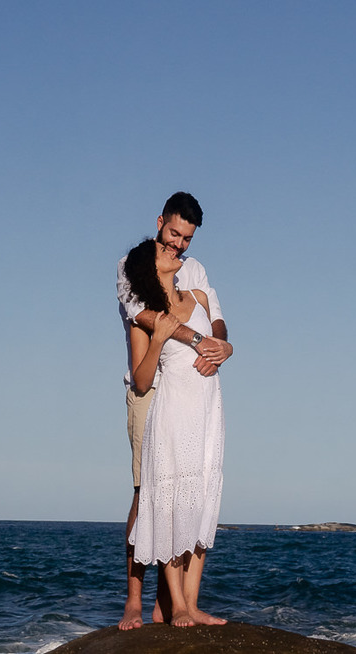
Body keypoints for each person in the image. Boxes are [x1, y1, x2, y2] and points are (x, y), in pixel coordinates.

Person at [116, 192, 232, 628]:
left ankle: (173, 605)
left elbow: (215, 312)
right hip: (154, 394)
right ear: (159, 221)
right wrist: (195, 340)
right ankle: (136, 599)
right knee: (151, 493)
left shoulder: (192, 270)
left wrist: (223, 345)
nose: (179, 246)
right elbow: (145, 319)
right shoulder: (135, 263)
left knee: (195, 492)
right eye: (173, 234)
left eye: (187, 239)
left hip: (201, 402)